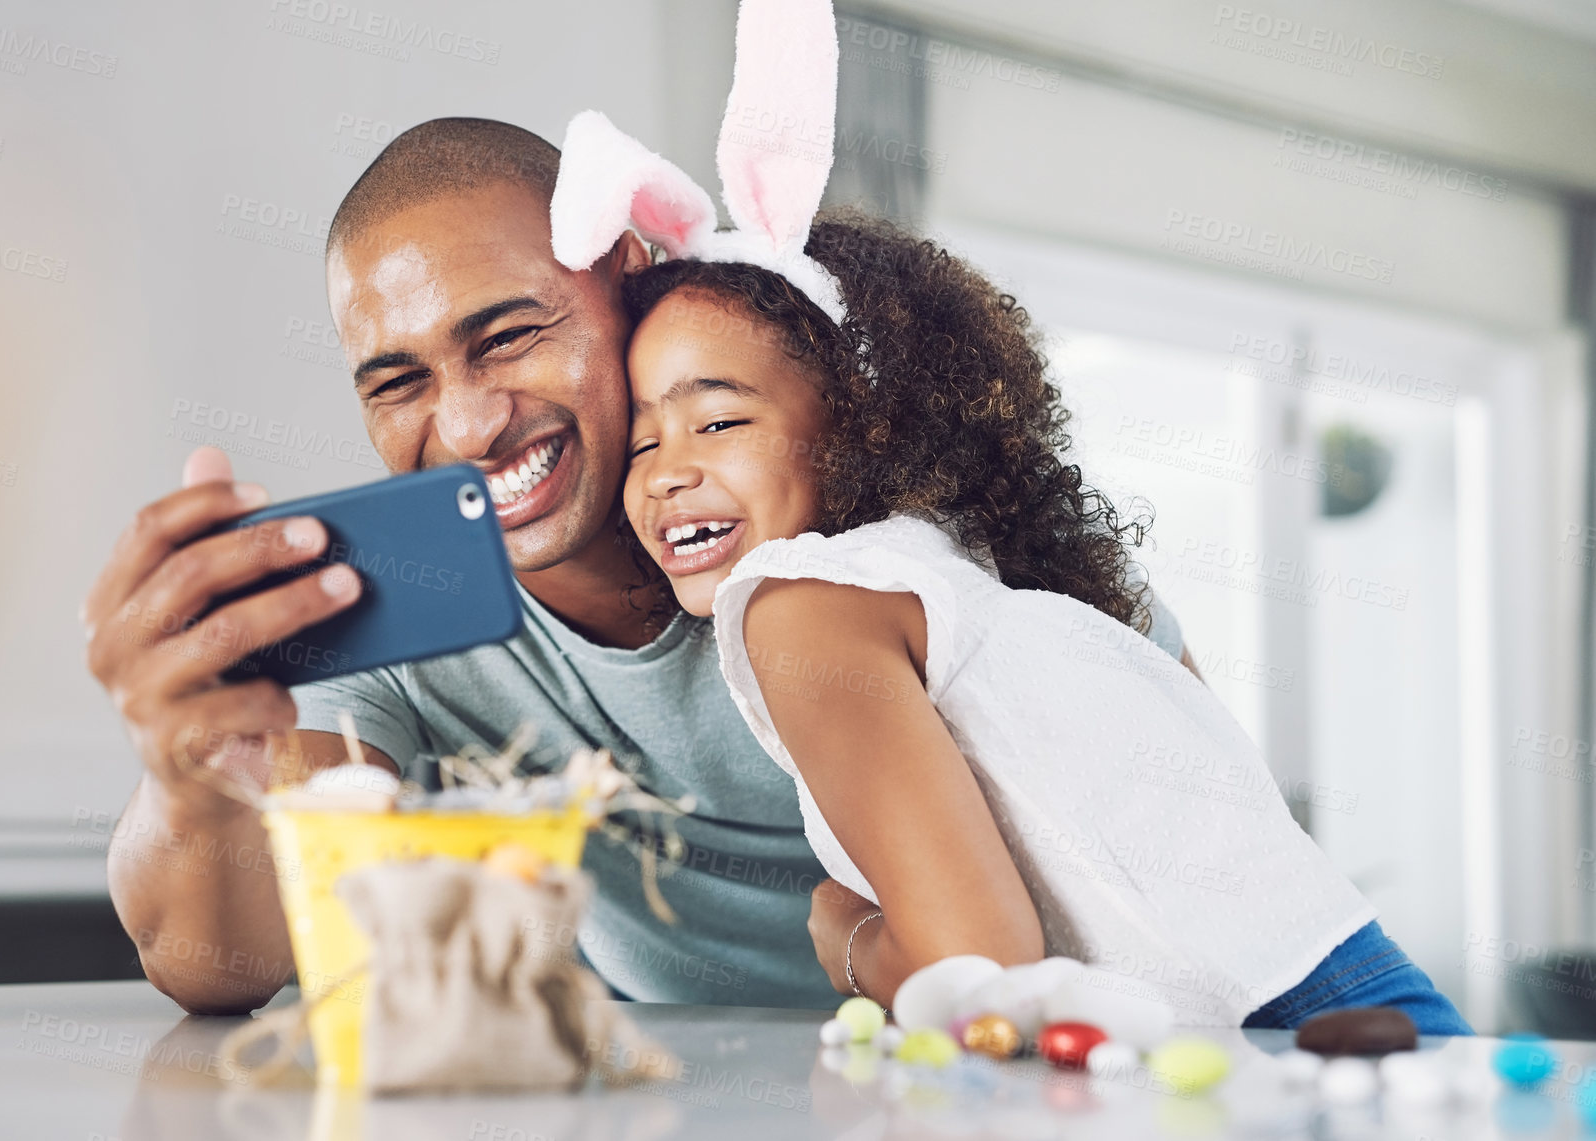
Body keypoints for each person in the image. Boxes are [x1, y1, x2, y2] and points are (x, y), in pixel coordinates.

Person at [84, 117, 1199, 1015]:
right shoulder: (389, 598)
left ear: (626, 272)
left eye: (508, 334)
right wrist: (189, 777)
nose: (467, 424)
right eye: (397, 382)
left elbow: (1202, 822)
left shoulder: (888, 529)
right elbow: (221, 962)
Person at [614, 208, 1472, 1033]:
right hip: (1351, 994)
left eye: (718, 419)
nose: (664, 473)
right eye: (639, 443)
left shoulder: (797, 600)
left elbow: (982, 978)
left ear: (864, 424)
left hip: (1271, 1034)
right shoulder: (964, 571)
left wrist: (846, 936)